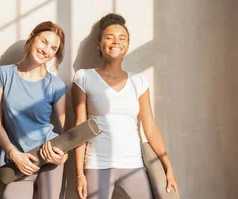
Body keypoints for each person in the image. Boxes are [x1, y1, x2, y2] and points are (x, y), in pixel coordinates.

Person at [72, 13, 179, 199]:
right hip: (98, 164)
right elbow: (80, 127)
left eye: (122, 38)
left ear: (128, 45)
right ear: (99, 44)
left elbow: (150, 128)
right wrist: (80, 173)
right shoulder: (84, 77)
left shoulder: (139, 81)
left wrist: (167, 166)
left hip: (133, 164)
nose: (116, 42)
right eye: (109, 37)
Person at [0, 21, 68, 199]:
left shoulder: (55, 86)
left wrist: (62, 157)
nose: (46, 50)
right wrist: (13, 153)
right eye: (44, 41)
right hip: (18, 161)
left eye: (53, 48)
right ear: (32, 37)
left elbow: (66, 133)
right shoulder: (3, 75)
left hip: (50, 158)